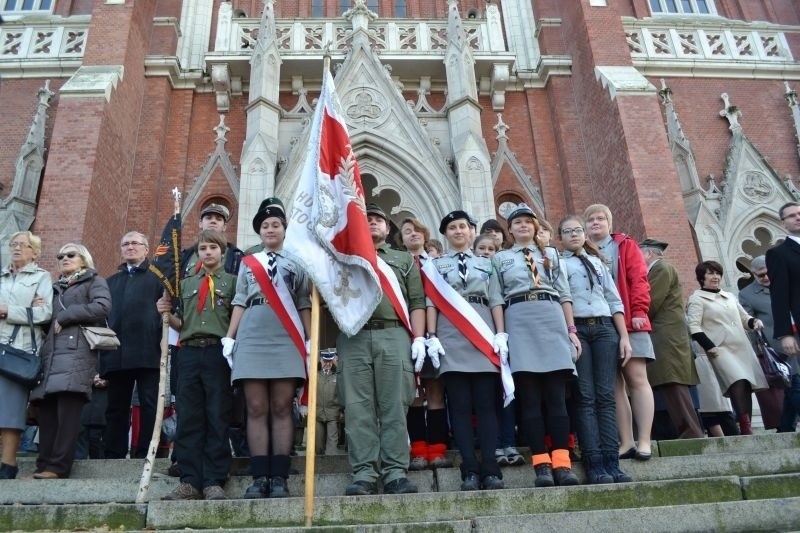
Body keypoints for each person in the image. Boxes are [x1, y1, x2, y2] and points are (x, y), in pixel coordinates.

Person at [224, 199, 311, 499]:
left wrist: (310, 340)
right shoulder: (249, 263)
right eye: (265, 226)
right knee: (257, 407)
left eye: (275, 224)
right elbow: (239, 300)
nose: (270, 229)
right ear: (259, 232)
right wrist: (230, 337)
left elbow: (303, 303)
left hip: (286, 334)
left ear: (284, 229)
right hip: (252, 332)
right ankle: (259, 476)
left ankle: (280, 477)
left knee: (281, 407)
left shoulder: (298, 263)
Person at [337, 204, 425, 496]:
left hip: (393, 335)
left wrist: (420, 339)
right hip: (354, 336)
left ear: (388, 229)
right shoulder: (343, 258)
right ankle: (363, 472)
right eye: (367, 220)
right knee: (357, 408)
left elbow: (416, 302)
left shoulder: (403, 260)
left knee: (394, 407)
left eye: (378, 220)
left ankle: (395, 472)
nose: (373, 223)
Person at [496, 203, 580, 487]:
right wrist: (502, 335)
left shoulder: (552, 254)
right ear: (509, 229)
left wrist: (571, 330)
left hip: (550, 316)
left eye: (527, 222)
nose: (522, 226)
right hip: (519, 319)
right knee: (530, 400)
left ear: (535, 227)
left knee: (557, 399)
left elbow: (565, 294)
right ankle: (541, 463)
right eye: (516, 222)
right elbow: (498, 297)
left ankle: (562, 462)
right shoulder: (500, 259)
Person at [426, 210, 507, 491]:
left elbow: (496, 299)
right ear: (445, 234)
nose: (458, 231)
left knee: (486, 406)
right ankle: (469, 468)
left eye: (462, 226)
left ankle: (491, 467)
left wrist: (500, 334)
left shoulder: (488, 264)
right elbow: (431, 303)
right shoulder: (435, 265)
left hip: (482, 333)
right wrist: (432, 335)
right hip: (450, 335)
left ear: (471, 231)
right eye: (452, 228)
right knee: (459, 407)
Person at [158, 230, 237, 500]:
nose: (207, 252)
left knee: (217, 415)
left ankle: (214, 479)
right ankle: (190, 480)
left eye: (213, 247)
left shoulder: (232, 282)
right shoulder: (187, 284)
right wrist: (167, 313)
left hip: (217, 353)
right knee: (189, 417)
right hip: (189, 352)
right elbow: (183, 324)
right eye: (203, 248)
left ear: (222, 252)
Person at [560, 215, 632, 484]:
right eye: (568, 232)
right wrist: (570, 332)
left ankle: (613, 463)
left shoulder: (598, 263)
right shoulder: (559, 264)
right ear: (561, 237)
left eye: (578, 230)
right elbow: (563, 298)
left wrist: (623, 336)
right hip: (579, 328)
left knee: (606, 395)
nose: (574, 235)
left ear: (584, 235)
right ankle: (594, 463)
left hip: (604, 329)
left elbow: (614, 300)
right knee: (585, 397)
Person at [29, 243, 112, 479]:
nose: (64, 258)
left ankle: (58, 467)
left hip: (76, 355)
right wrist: (38, 309)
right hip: (50, 356)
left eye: (70, 254)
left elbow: (102, 307)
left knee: (68, 415)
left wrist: (66, 316)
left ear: (84, 259)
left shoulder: (94, 281)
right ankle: (42, 466)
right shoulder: (53, 288)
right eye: (60, 256)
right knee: (46, 413)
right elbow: (45, 321)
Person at [584, 204, 655, 460]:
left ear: (609, 223)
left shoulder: (624, 246)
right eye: (590, 219)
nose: (595, 223)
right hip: (601, 325)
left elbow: (639, 279)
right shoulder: (582, 252)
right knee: (614, 385)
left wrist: (638, 311)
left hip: (630, 321)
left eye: (600, 218)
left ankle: (645, 440)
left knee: (637, 379)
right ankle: (626, 441)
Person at [100, 232, 164, 459]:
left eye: (135, 243)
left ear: (146, 249)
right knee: (116, 407)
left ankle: (146, 453)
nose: (130, 247)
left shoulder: (158, 278)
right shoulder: (109, 282)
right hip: (116, 352)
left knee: (149, 405)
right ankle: (113, 454)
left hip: (149, 351)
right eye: (125, 243)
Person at [686, 260, 769, 435]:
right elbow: (693, 326)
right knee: (737, 381)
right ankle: (744, 425)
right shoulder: (697, 298)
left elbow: (744, 318)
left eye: (718, 273)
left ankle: (746, 425)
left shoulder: (729, 296)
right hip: (720, 349)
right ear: (702, 277)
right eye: (710, 273)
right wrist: (709, 346)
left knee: (746, 384)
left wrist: (754, 322)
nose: (715, 277)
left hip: (741, 346)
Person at [398, 218, 451, 471]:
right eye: (407, 231)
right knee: (414, 396)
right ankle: (418, 450)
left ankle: (438, 450)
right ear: (401, 238)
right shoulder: (398, 265)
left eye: (417, 230)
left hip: (436, 336)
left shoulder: (437, 265)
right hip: (405, 334)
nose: (413, 234)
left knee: (435, 392)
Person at [0, 231, 53, 479]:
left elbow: (44, 314)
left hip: (18, 350)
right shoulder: (1, 275)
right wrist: (27, 308)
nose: (18, 248)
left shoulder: (41, 277)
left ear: (35, 251)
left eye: (24, 245)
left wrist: (7, 310)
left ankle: (8, 463)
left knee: (10, 407)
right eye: (14, 244)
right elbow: (34, 310)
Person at [639, 239, 703, 439]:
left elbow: (650, 302)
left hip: (666, 336)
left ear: (648, 254)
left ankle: (691, 431)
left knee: (673, 382)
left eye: (638, 254)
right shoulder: (660, 270)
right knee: (669, 383)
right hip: (665, 335)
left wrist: (634, 319)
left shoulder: (660, 270)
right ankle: (686, 429)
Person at [738, 255, 785, 431]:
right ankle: (782, 426)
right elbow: (749, 324)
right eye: (760, 275)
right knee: (775, 392)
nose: (765, 278)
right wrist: (758, 352)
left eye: (768, 273)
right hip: (772, 349)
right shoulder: (746, 294)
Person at [766, 201, 800, 432]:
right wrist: (785, 333)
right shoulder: (778, 254)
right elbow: (779, 295)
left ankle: (785, 425)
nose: (797, 218)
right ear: (783, 222)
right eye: (792, 216)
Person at [181, 204, 243, 277]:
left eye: (218, 219)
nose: (213, 221)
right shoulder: (186, 255)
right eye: (208, 218)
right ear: (200, 224)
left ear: (224, 227)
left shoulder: (236, 256)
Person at [315, 351, 341, 456]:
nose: (327, 364)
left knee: (332, 440)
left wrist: (342, 409)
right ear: (321, 361)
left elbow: (342, 391)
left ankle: (331, 461)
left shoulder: (337, 375)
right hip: (317, 411)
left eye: (330, 361)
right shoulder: (315, 374)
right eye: (325, 361)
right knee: (317, 442)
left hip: (333, 411)